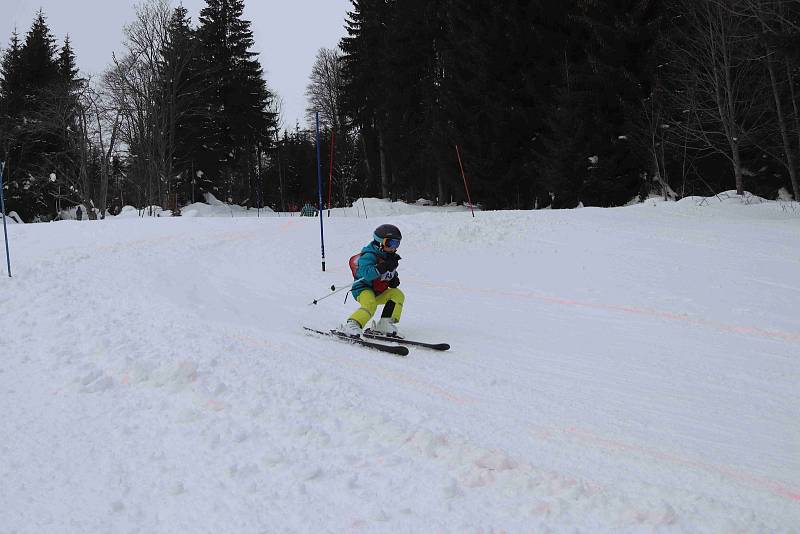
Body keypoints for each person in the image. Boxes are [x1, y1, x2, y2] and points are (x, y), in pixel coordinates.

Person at [339, 224, 404, 337]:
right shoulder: (369, 255)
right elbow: (365, 273)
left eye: (397, 243)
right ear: (380, 243)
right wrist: (381, 267)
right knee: (370, 303)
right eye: (390, 243)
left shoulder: (391, 258)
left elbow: (390, 272)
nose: (394, 247)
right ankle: (352, 324)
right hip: (363, 289)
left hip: (378, 291)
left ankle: (385, 323)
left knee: (397, 295)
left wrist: (394, 278)